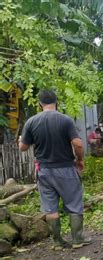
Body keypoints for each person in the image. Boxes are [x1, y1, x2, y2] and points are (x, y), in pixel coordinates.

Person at [19, 89, 92, 249]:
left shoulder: (31, 122)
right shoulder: (65, 120)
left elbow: (23, 147)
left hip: (44, 170)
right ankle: (77, 239)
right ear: (56, 102)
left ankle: (58, 242)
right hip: (65, 168)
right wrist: (80, 159)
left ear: (40, 104)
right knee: (74, 203)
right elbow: (78, 144)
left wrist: (20, 140)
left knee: (50, 206)